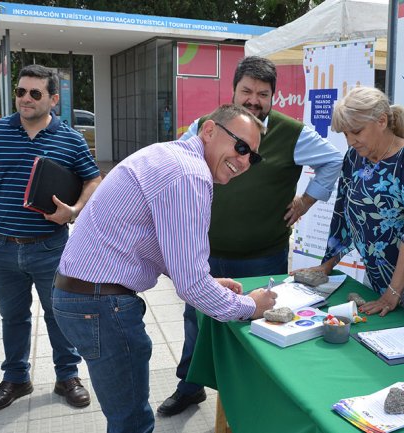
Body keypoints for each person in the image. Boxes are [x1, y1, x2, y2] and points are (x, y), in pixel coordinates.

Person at [52, 104, 278, 433]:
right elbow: (191, 287)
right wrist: (251, 306)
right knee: (132, 423)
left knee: (126, 418)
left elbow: (164, 248)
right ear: (210, 131)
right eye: (240, 147)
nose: (244, 160)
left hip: (85, 298)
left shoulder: (172, 157)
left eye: (253, 157)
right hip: (100, 304)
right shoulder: (190, 173)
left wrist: (209, 282)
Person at [157, 56, 342, 416]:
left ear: (274, 96)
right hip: (207, 253)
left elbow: (333, 161)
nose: (254, 100)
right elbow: (178, 161)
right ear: (233, 91)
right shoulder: (208, 126)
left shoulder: (292, 133)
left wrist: (305, 201)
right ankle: (190, 386)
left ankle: (256, 397)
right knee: (197, 321)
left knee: (259, 326)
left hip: (262, 255)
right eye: (247, 91)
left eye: (263, 93)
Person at [0, 64, 101, 412]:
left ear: (53, 99)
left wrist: (74, 210)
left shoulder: (71, 138)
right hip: (1, 248)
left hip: (50, 247)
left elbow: (93, 180)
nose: (25, 99)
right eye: (20, 91)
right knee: (13, 317)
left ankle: (67, 377)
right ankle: (16, 378)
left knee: (58, 314)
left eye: (34, 93)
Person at [293, 86, 404, 316]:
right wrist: (327, 266)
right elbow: (343, 213)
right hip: (374, 275)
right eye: (345, 134)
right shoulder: (355, 157)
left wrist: (392, 293)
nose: (351, 141)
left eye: (356, 131)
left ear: (382, 121)